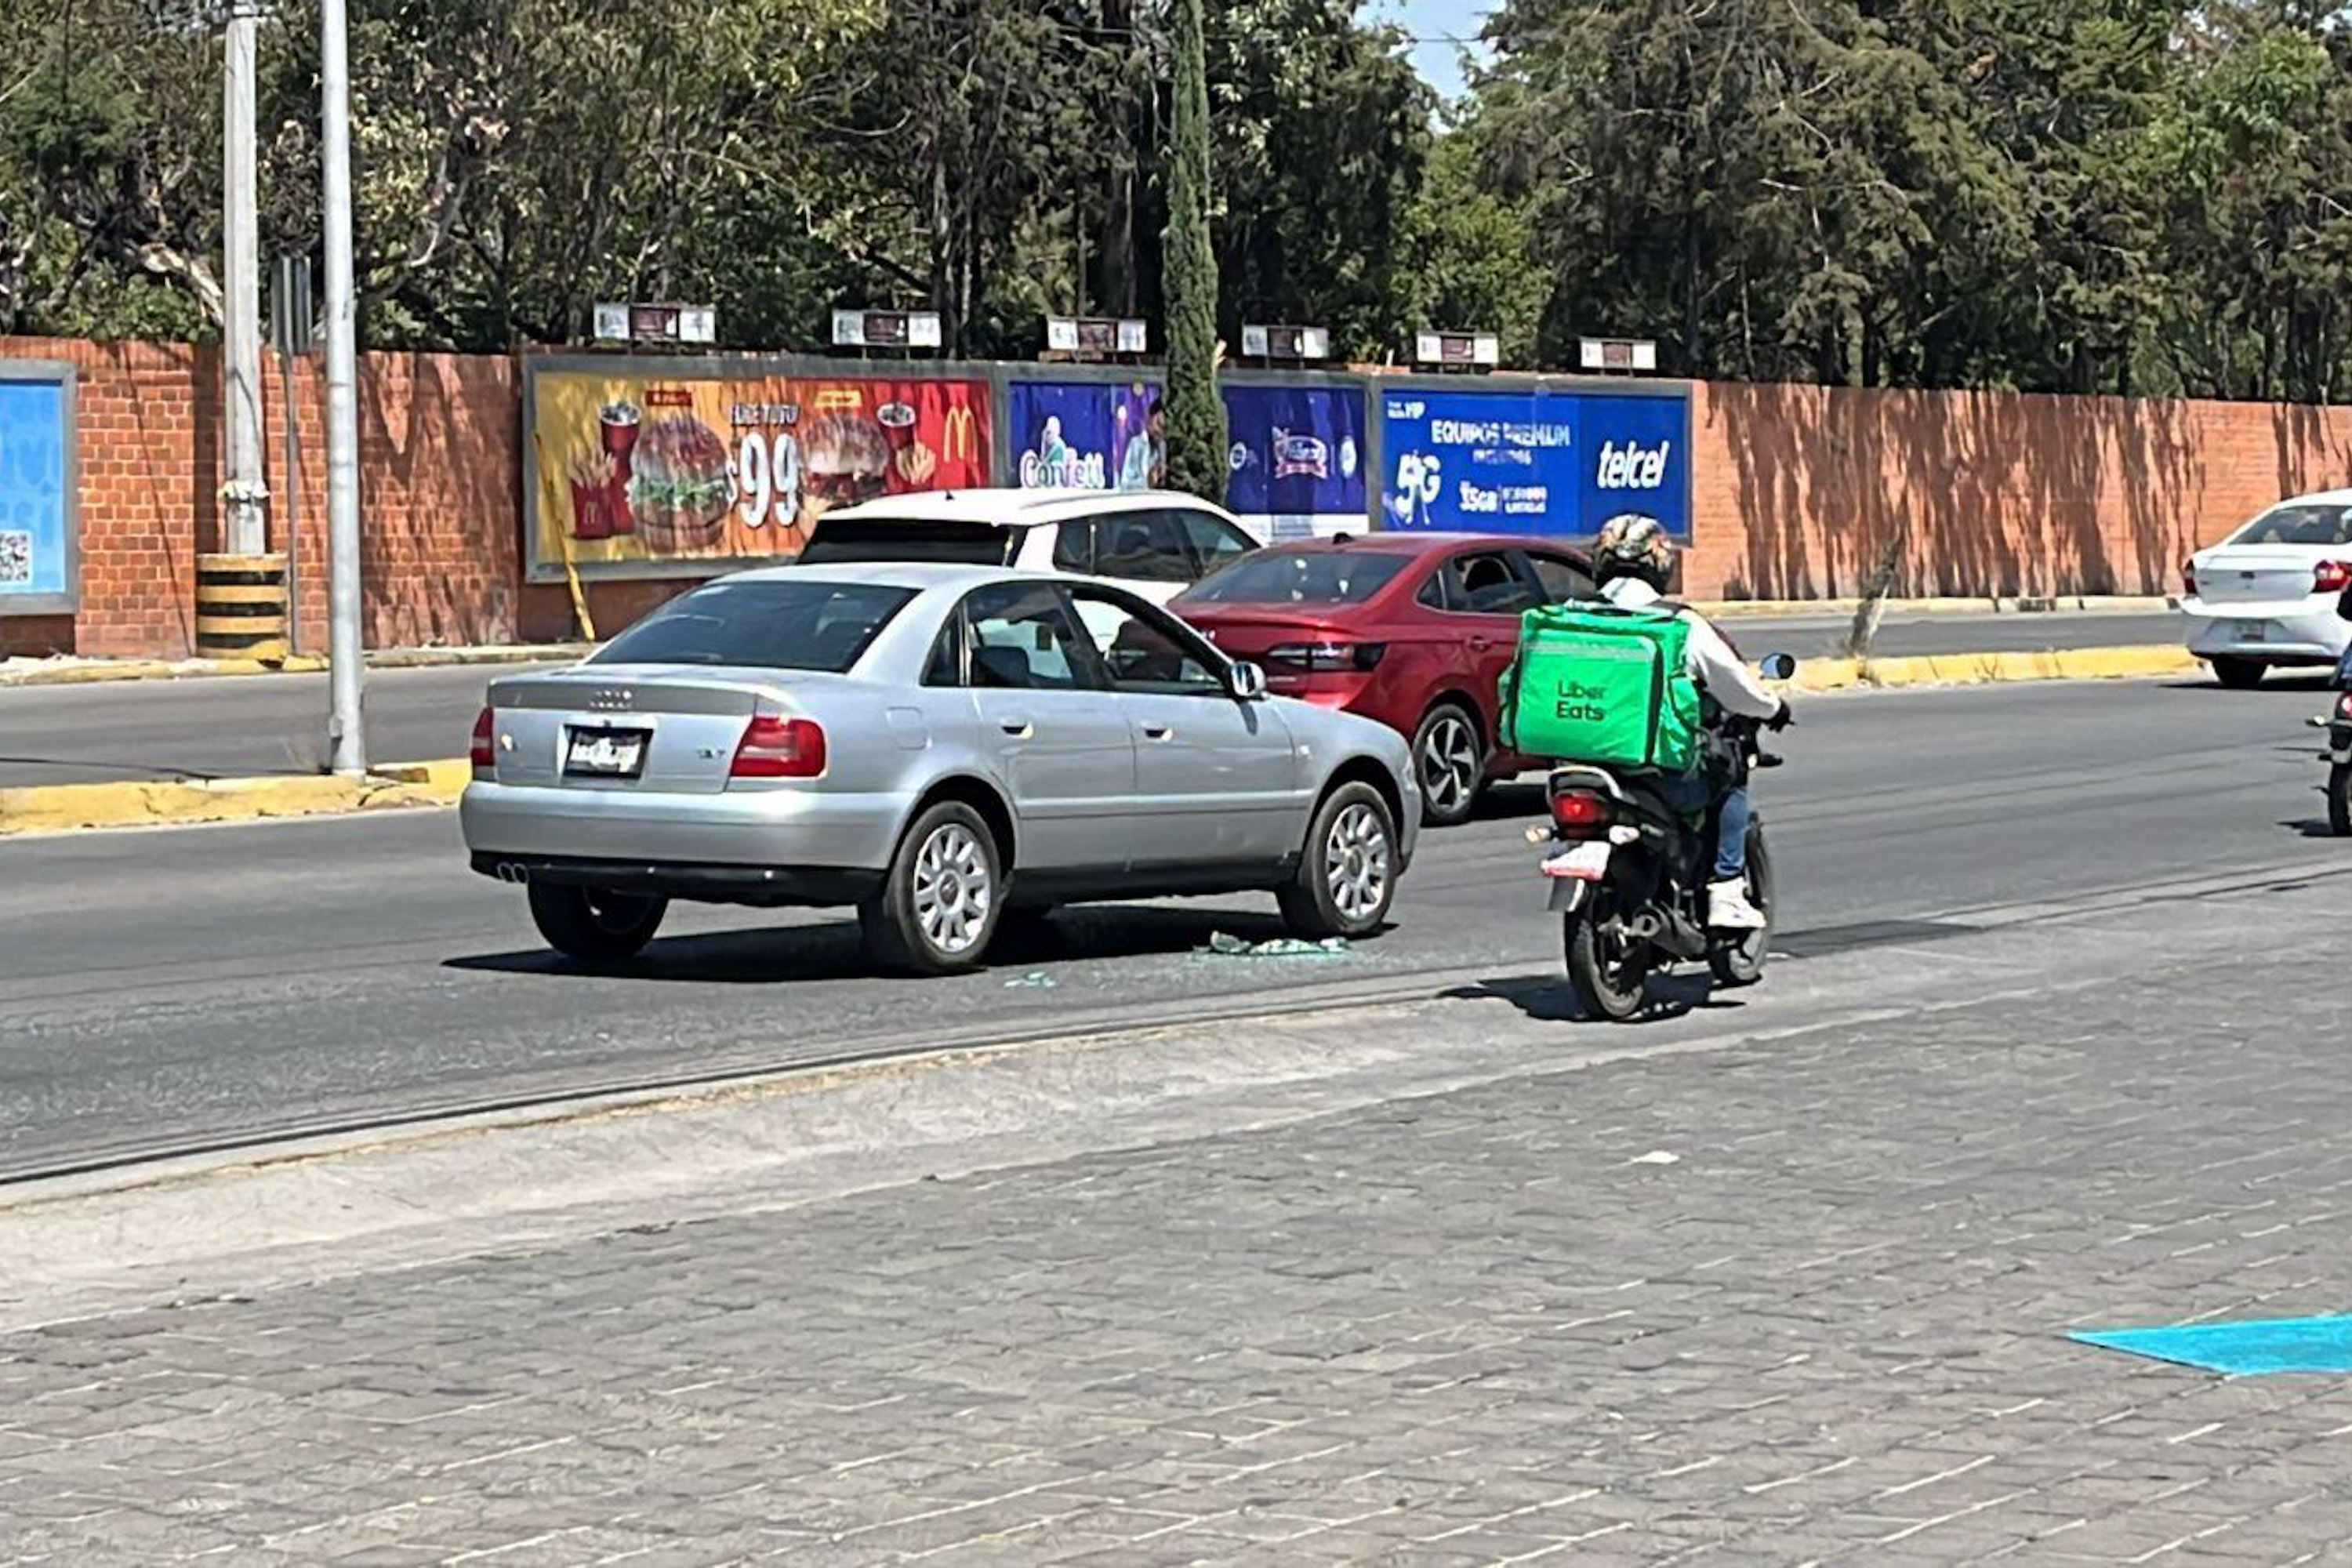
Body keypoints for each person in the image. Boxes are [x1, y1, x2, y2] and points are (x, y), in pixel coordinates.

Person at [1588, 514, 1791, 931]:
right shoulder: (1678, 624)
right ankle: (1728, 890)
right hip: (1657, 771)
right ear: (1661, 566)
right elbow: (1736, 688)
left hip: (1579, 765)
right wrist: (1774, 709)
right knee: (1731, 773)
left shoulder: (1571, 617)